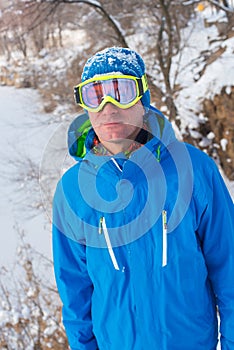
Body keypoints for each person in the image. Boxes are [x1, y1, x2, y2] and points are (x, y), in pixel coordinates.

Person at [52, 47, 234, 350]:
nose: (108, 107)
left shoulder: (194, 170)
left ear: (142, 98)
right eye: (95, 95)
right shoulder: (72, 191)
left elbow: (229, 269)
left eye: (121, 91)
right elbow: (75, 295)